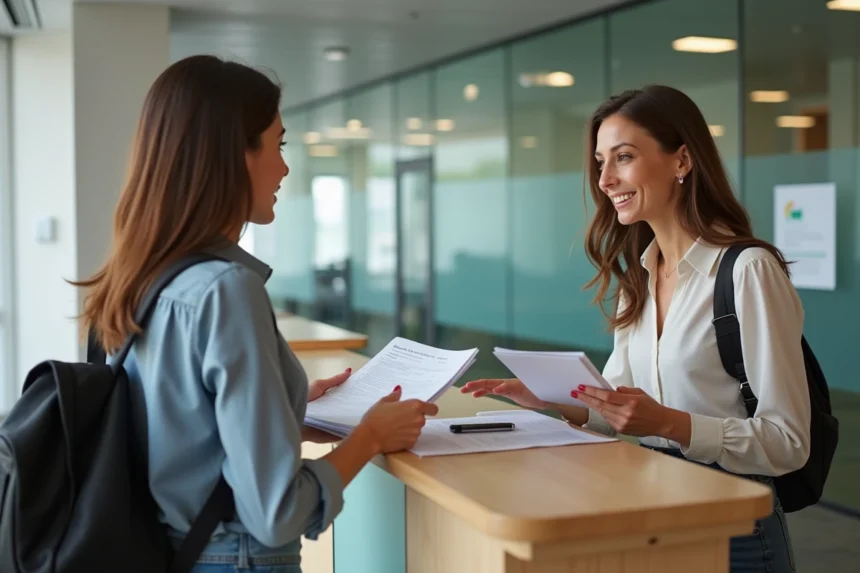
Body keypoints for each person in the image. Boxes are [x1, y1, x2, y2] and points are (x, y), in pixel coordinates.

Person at [73, 55, 438, 572]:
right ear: (232, 155)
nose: (285, 168)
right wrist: (370, 436)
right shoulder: (226, 290)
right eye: (278, 144)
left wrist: (286, 413)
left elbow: (176, 435)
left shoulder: (137, 279)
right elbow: (276, 513)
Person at [461, 84, 809, 573]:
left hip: (732, 523)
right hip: (651, 507)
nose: (605, 180)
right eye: (600, 162)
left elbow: (788, 442)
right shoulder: (639, 279)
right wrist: (555, 399)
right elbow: (621, 409)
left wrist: (668, 424)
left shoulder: (747, 271)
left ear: (682, 160)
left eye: (623, 157)